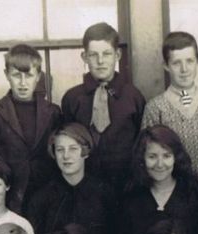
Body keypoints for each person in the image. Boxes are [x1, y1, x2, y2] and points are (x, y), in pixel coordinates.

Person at [142, 31, 198, 195]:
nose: (184, 69)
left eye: (190, 61)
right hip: (174, 195)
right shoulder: (155, 107)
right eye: (177, 63)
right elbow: (146, 156)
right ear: (166, 65)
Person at [61, 22, 145, 198]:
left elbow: (142, 145)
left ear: (118, 55)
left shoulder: (133, 97)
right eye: (93, 55)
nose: (100, 61)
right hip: (84, 189)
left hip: (126, 189)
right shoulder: (72, 98)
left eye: (106, 54)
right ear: (84, 57)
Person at [28, 123, 117, 234]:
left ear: (85, 152)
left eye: (73, 149)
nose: (66, 156)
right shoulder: (41, 199)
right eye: (60, 150)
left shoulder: (105, 194)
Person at [0, 44, 62, 214]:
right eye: (16, 75)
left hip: (47, 196)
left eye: (29, 75)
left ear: (38, 76)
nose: (23, 83)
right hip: (10, 199)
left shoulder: (53, 112)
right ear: (7, 75)